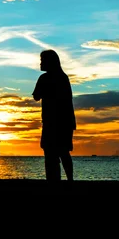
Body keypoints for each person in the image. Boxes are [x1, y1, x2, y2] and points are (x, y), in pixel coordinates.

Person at [32, 49, 76, 182]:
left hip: (54, 121)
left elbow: (36, 96)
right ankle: (68, 180)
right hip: (64, 121)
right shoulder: (63, 77)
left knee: (52, 153)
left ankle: (54, 180)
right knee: (62, 152)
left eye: (42, 60)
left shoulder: (45, 78)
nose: (40, 63)